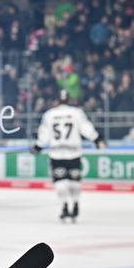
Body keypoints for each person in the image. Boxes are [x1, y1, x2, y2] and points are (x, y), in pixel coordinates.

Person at [30, 89, 106, 222]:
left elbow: (44, 134)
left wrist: (38, 146)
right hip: (74, 153)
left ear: (57, 101)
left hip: (57, 154)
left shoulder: (49, 114)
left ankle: (65, 206)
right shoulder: (76, 113)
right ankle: (75, 204)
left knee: (60, 182)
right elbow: (86, 128)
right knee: (74, 181)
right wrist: (97, 139)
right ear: (68, 100)